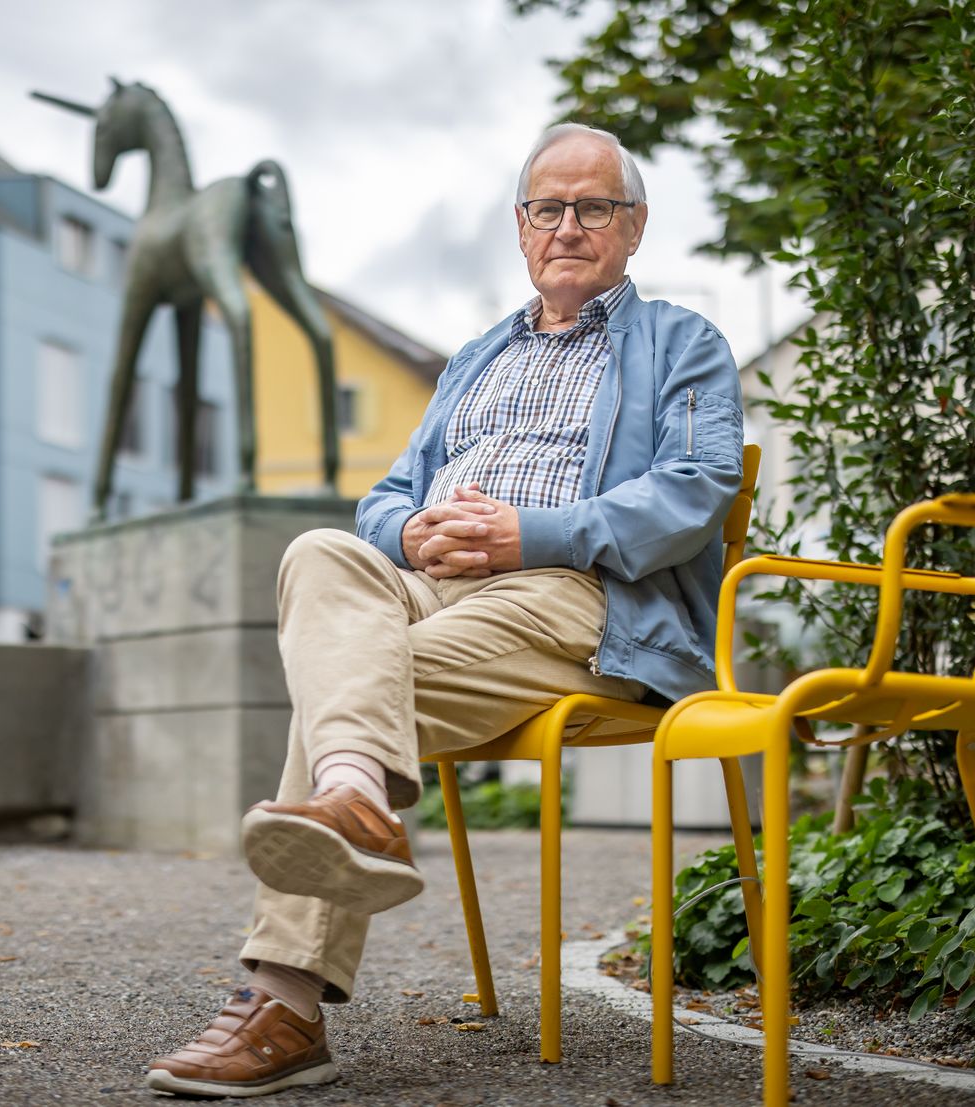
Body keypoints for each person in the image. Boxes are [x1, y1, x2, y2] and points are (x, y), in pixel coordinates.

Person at [145, 122, 743, 1098]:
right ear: (519, 227)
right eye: (547, 207)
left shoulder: (681, 343)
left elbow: (693, 489)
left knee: (346, 683)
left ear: (632, 227)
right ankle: (355, 796)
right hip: (430, 586)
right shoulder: (474, 357)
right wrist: (411, 532)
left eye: (593, 206)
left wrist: (529, 535)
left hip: (575, 597)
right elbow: (383, 494)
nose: (567, 225)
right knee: (322, 552)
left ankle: (283, 1001)